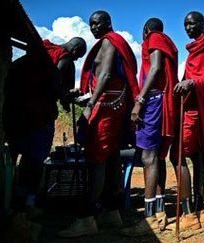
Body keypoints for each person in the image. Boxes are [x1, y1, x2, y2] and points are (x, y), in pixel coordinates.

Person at [58, 10, 139, 237]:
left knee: (96, 159)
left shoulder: (109, 43)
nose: (93, 27)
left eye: (97, 23)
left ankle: (87, 218)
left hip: (106, 108)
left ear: (108, 23)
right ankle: (112, 214)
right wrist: (84, 93)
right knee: (111, 157)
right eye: (90, 24)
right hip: (112, 105)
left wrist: (91, 103)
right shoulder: (113, 42)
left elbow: (104, 76)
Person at [4, 37, 86, 219]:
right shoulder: (63, 58)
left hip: (13, 114)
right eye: (78, 57)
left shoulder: (38, 53)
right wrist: (66, 98)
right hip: (38, 115)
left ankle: (10, 200)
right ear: (75, 51)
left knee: (13, 157)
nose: (76, 61)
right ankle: (29, 204)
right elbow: (54, 85)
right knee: (34, 159)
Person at [120, 17, 179, 236]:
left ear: (145, 30)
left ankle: (150, 218)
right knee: (157, 157)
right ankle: (160, 210)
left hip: (152, 102)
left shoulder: (154, 39)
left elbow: (154, 69)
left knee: (148, 157)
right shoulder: (166, 41)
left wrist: (139, 101)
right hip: (159, 101)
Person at [171, 11, 204, 231]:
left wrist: (193, 83)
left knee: (179, 156)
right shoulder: (193, 50)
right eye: (185, 24)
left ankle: (189, 213)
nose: (188, 28)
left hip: (197, 109)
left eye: (192, 23)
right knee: (196, 155)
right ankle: (200, 210)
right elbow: (190, 76)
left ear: (202, 24)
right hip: (190, 107)